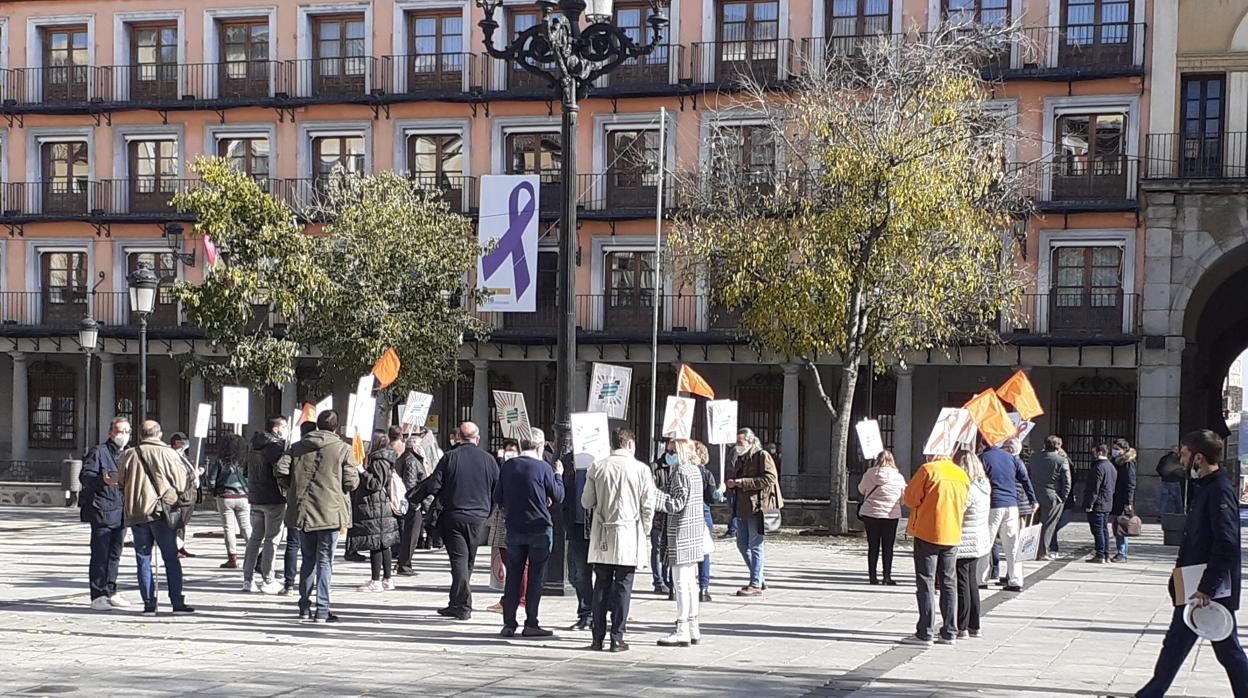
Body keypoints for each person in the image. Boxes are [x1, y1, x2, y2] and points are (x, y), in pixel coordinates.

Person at [1136, 429, 1248, 698]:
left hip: (1209, 590)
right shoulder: (1207, 488)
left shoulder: (1219, 490)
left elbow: (1226, 543)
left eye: (1184, 455)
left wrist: (1207, 587)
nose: (1181, 460)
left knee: (1227, 650)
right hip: (1195, 585)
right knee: (1177, 645)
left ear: (1198, 457)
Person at [276, 410, 359, 622]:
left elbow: (280, 470)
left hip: (303, 511)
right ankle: (323, 609)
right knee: (325, 561)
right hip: (330, 512)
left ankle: (304, 606)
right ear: (336, 428)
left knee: (308, 559)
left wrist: (292, 488)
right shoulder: (343, 448)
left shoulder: (297, 447)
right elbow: (351, 482)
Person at [582, 428, 655, 652]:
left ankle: (597, 637)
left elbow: (586, 501)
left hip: (603, 532)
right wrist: (647, 529)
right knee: (623, 586)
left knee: (601, 585)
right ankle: (617, 636)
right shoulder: (641, 469)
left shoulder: (597, 466)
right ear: (630, 444)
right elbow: (648, 505)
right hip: (629, 533)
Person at [116, 420, 194, 616]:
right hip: (162, 511)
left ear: (141, 435)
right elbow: (181, 482)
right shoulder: (169, 453)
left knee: (143, 558)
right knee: (170, 557)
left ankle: (149, 604)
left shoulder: (129, 454)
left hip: (137, 512)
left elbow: (121, 481)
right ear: (158, 434)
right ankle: (177, 602)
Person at [426, 421, 499, 621]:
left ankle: (463, 605)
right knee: (468, 560)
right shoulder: (489, 460)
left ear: (458, 437)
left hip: (454, 515)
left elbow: (434, 485)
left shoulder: (449, 457)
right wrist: (490, 511)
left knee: (459, 560)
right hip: (479, 517)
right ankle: (456, 602)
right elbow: (497, 489)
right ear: (477, 438)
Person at [495, 428, 564, 637]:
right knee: (535, 577)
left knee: (514, 575)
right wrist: (558, 475)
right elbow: (559, 495)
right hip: (539, 528)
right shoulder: (543, 468)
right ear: (540, 446)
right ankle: (531, 622)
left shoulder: (508, 466)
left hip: (515, 527)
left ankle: (509, 623)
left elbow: (498, 496)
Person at [900, 449, 969, 647]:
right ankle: (949, 631)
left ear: (931, 454)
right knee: (949, 582)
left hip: (928, 531)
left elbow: (910, 499)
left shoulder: (928, 470)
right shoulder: (960, 473)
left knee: (926, 581)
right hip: (952, 533)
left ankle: (926, 631)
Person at [654, 439, 709, 647]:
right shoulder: (695, 470)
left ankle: (682, 628)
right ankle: (693, 626)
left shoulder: (680, 472)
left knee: (680, 583)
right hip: (693, 532)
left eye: (671, 451)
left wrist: (655, 494)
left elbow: (676, 504)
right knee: (690, 583)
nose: (668, 456)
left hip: (681, 532)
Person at [80, 417, 132, 611]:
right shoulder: (99, 452)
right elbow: (85, 476)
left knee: (115, 554)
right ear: (111, 433)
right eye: (120, 432)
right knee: (100, 554)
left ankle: (111, 590)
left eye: (127, 432)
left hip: (122, 511)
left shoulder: (128, 453)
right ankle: (98, 594)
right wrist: (103, 481)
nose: (123, 436)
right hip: (102, 509)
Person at [725, 427, 781, 597]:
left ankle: (755, 583)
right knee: (742, 544)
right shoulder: (741, 458)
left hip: (757, 506)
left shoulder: (762, 455)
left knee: (756, 545)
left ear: (750, 441)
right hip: (742, 506)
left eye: (740, 443)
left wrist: (742, 482)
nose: (738, 446)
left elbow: (770, 478)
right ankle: (758, 576)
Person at [980, 439, 1037, 592]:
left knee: (987, 542)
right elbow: (1025, 478)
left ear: (983, 445)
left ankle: (981, 578)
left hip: (993, 504)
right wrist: (1033, 499)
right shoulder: (1011, 458)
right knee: (1012, 543)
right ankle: (1015, 580)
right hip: (1012, 505)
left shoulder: (983, 458)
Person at [349, 433, 402, 592]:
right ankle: (387, 579)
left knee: (376, 544)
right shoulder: (387, 458)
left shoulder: (379, 460)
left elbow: (376, 483)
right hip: (381, 505)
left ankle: (375, 580)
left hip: (375, 506)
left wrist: (362, 471)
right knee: (384, 544)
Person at [242, 416, 287, 594]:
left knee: (255, 538)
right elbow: (281, 470)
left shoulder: (253, 444)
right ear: (276, 429)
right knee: (272, 540)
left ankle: (247, 579)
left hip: (255, 496)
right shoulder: (275, 447)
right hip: (273, 497)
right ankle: (268, 579)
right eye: (284, 427)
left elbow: (246, 470)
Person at [953, 449, 991, 640]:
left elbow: (958, 510)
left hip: (965, 538)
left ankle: (962, 625)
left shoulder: (967, 488)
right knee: (972, 582)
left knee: (962, 582)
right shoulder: (984, 485)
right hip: (979, 538)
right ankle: (975, 624)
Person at [857, 449, 906, 586]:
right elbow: (903, 498)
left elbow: (861, 489)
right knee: (888, 546)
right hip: (891, 515)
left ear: (877, 460)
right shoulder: (898, 477)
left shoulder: (869, 474)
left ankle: (872, 576)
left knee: (873, 546)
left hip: (871, 513)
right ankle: (887, 576)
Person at [280, 420, 318, 595]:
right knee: (316, 547)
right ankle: (314, 583)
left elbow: (280, 468)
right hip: (318, 504)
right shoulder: (322, 448)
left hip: (296, 500)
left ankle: (289, 584)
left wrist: (289, 485)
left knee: (293, 543)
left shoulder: (294, 448)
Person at [487, 439, 523, 613]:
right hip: (502, 521)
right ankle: (510, 598)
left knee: (517, 563)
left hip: (512, 521)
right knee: (507, 560)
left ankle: (517, 599)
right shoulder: (503, 467)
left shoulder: (519, 468)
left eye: (512, 451)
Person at [207, 433, 252, 569]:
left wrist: (213, 491)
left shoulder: (220, 461)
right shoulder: (245, 461)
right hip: (243, 496)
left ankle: (232, 558)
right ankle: (254, 555)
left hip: (225, 496)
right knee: (246, 527)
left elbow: (211, 479)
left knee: (228, 528)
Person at [563, 447, 594, 629]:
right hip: (576, 524)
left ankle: (603, 612)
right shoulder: (569, 460)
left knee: (604, 574)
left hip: (598, 526)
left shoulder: (601, 457)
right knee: (580, 574)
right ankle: (586, 614)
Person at [1028, 435, 1071, 561]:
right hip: (1052, 495)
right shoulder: (1061, 460)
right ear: (1058, 446)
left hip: (1034, 494)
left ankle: (1030, 550)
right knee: (1049, 525)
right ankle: (1043, 552)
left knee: (1033, 524)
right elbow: (1067, 481)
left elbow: (1028, 475)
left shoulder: (1034, 458)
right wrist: (1063, 497)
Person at [394, 435, 430, 576]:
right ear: (414, 446)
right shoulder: (410, 460)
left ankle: (403, 562)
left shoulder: (414, 459)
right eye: (420, 445)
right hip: (413, 504)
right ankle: (405, 564)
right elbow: (410, 483)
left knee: (412, 535)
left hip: (414, 502)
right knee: (411, 535)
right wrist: (416, 502)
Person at [693, 441, 721, 603]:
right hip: (703, 512)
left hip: (685, 513)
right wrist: (721, 491)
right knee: (704, 552)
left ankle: (674, 589)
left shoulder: (680, 471)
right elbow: (712, 497)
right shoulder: (706, 474)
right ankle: (703, 588)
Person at [1083, 444, 1118, 564]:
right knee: (1104, 529)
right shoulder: (1111, 466)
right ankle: (1106, 554)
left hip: (1098, 502)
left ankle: (1100, 554)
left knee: (1097, 529)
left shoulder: (1099, 467)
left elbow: (1094, 487)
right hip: (1107, 501)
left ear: (1099, 453)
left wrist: (1089, 503)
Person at [167, 431, 199, 559]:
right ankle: (175, 548)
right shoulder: (172, 456)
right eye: (183, 440)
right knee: (178, 524)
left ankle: (181, 546)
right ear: (176, 443)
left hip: (190, 495)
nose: (186, 442)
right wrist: (193, 475)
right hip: (182, 495)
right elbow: (179, 476)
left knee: (183, 524)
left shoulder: (184, 456)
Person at [650, 440, 675, 595]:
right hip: (659, 514)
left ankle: (668, 579)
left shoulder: (680, 468)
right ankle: (658, 580)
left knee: (669, 549)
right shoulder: (655, 467)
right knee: (658, 547)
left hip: (673, 514)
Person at [1110, 438, 1137, 563]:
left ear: (1124, 450)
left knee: (1121, 525)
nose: (1114, 451)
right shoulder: (1117, 461)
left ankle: (1122, 553)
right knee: (1118, 524)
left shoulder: (1128, 463)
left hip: (1122, 499)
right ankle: (1121, 551)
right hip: (1117, 497)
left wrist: (1129, 502)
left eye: (1117, 449)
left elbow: (1130, 484)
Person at [1155, 445, 1186, 515]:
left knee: (1163, 499)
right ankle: (1179, 514)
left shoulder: (1164, 458)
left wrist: (1163, 476)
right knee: (1177, 500)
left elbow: (1158, 469)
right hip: (1174, 481)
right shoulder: (1177, 459)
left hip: (1165, 481)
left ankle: (1160, 515)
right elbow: (1181, 470)